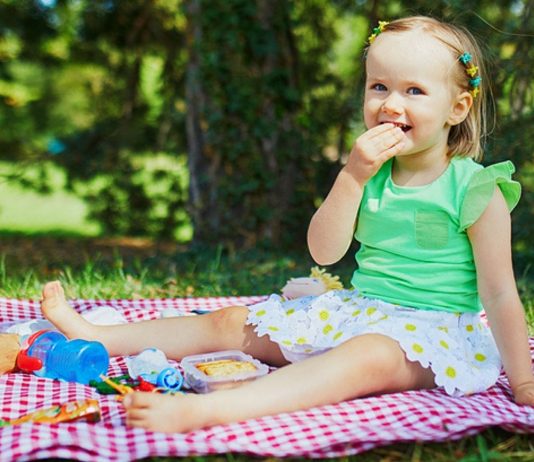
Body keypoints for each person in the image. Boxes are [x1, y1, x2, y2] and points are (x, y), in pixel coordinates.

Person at [40, 16, 534, 433]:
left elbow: (499, 294)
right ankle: (102, 337)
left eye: (414, 91)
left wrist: (524, 381)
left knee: (364, 359)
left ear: (457, 108)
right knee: (231, 321)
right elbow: (324, 251)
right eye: (378, 86)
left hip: (432, 335)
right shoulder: (370, 171)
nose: (390, 104)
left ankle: (208, 409)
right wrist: (352, 176)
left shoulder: (475, 189)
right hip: (364, 310)